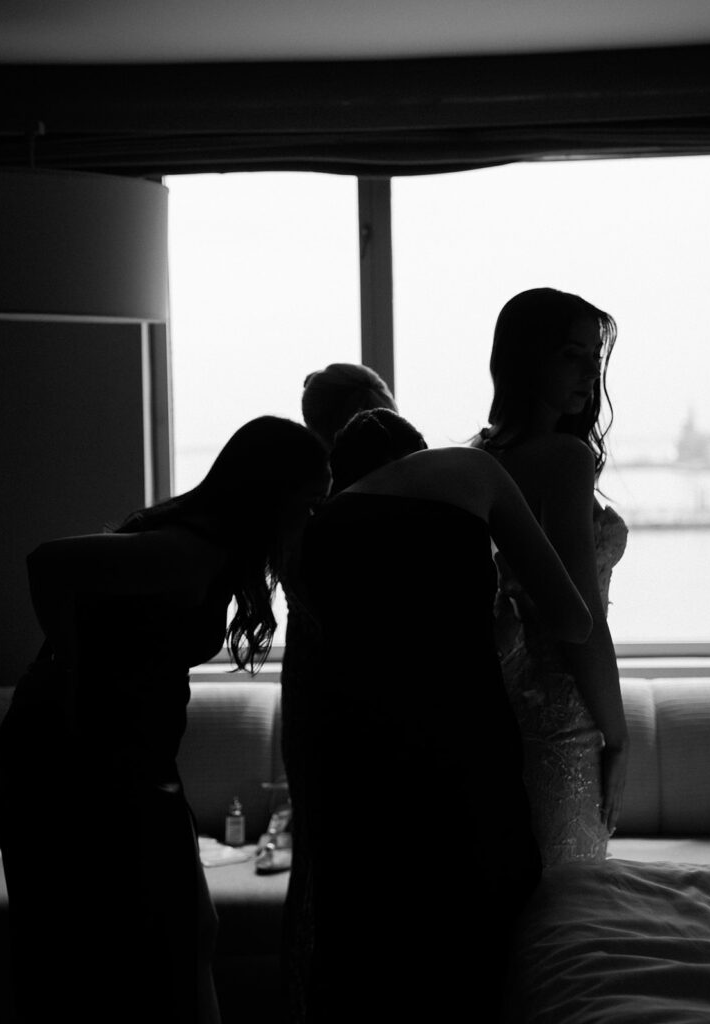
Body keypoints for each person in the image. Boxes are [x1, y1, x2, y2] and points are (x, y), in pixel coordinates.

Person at [0, 416, 330, 1024]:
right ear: (268, 496)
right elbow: (47, 564)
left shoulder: (217, 555)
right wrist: (72, 676)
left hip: (128, 754)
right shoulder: (189, 551)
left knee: (188, 928)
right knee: (118, 941)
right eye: (305, 506)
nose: (309, 521)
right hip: (72, 754)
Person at [298, 407, 593, 1023]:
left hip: (359, 778)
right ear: (419, 451)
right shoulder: (468, 470)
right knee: (478, 961)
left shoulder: (319, 525)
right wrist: (503, 591)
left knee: (380, 974)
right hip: (463, 758)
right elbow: (573, 620)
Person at [473, 287, 630, 867]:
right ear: (525, 357)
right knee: (566, 907)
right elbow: (582, 626)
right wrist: (619, 737)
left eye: (595, 356)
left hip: (496, 718)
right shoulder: (564, 458)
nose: (591, 371)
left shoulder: (479, 455)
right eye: (571, 353)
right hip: (563, 717)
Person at [280, 362, 397, 1023]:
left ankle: (312, 995)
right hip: (354, 694)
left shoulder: (310, 506)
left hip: (310, 691)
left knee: (321, 862)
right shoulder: (366, 511)